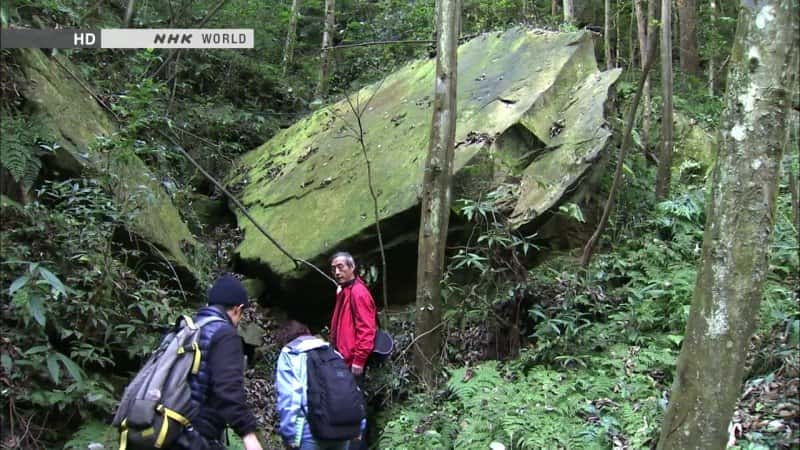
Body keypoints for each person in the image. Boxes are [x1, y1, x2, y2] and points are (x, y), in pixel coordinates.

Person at [174, 274, 263, 450]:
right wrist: (248, 435)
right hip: (195, 433)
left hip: (169, 425)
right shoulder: (225, 335)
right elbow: (228, 388)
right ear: (238, 309)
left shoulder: (186, 329)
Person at [275, 320, 351, 450]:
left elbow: (291, 397)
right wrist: (358, 425)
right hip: (343, 430)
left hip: (310, 432)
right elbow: (349, 390)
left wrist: (289, 435)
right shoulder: (333, 353)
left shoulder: (289, 354)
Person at [328, 252, 377, 382]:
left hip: (352, 361)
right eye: (334, 269)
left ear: (352, 267)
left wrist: (359, 360)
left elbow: (367, 329)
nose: (337, 272)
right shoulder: (345, 290)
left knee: (354, 398)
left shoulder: (358, 292)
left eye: (340, 267)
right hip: (342, 358)